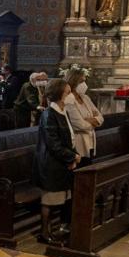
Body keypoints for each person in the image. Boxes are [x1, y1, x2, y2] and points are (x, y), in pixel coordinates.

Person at [34, 78, 79, 243]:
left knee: (62, 198)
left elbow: (70, 137)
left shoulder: (63, 111)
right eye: (68, 93)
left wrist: (73, 155)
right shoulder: (49, 114)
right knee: (49, 199)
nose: (70, 95)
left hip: (62, 162)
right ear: (60, 95)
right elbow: (53, 143)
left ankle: (58, 228)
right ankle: (44, 233)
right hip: (51, 164)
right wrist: (72, 156)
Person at [64, 69, 103, 160]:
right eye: (81, 81)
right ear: (73, 82)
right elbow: (80, 125)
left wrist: (90, 120)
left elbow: (101, 117)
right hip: (79, 143)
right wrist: (94, 121)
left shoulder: (85, 98)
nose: (84, 85)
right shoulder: (68, 100)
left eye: (85, 81)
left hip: (91, 141)